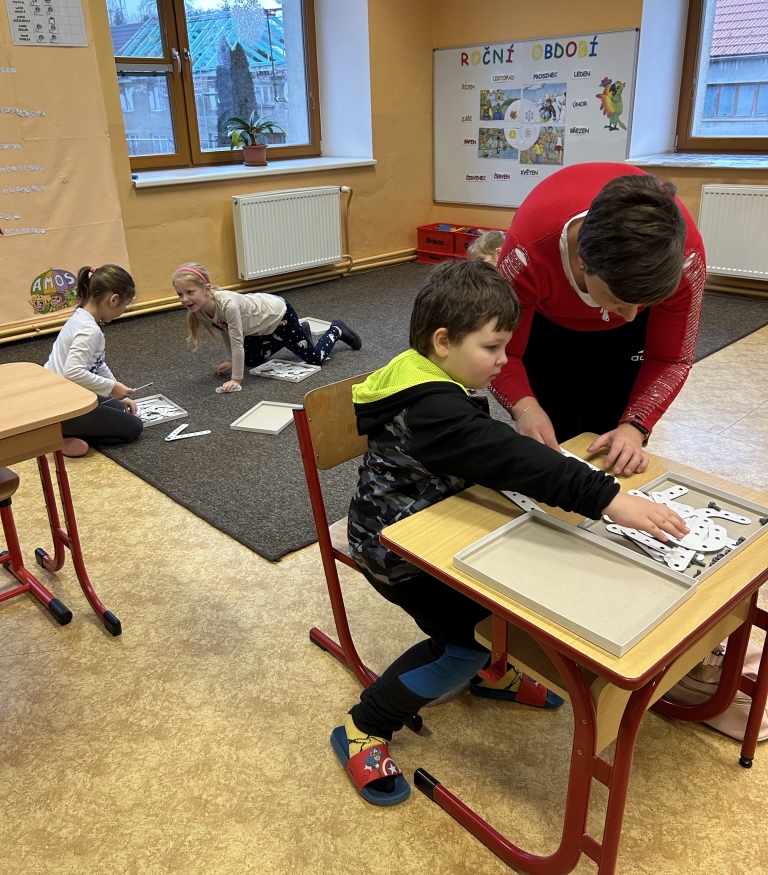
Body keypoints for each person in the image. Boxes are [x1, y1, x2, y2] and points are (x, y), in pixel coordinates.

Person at [333, 260, 688, 806]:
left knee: (516, 595)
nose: (504, 361)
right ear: (443, 342)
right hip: (396, 554)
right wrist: (611, 499)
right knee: (463, 645)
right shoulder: (432, 409)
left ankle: (491, 670)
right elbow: (511, 455)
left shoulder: (432, 373)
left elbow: (490, 452)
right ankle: (365, 723)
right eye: (493, 347)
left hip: (438, 525)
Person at [491, 163, 705, 477]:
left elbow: (671, 358)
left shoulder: (686, 261)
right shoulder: (526, 256)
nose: (630, 316)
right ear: (583, 261)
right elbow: (500, 351)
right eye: (618, 301)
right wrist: (525, 409)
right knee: (553, 435)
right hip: (548, 325)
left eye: (643, 304)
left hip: (623, 340)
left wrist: (635, 426)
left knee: (611, 441)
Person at [172, 263, 362, 393]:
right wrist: (230, 361)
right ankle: (298, 334)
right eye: (180, 294)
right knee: (251, 360)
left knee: (315, 360)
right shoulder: (198, 311)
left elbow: (237, 343)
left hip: (279, 316)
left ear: (206, 289)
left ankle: (336, 330)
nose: (184, 299)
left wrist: (236, 379)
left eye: (190, 292)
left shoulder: (228, 305)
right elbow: (225, 331)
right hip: (257, 327)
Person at [44, 264, 143, 458]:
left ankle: (62, 429)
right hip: (61, 406)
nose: (123, 310)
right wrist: (112, 387)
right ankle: (57, 436)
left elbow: (98, 364)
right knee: (133, 428)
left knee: (118, 407)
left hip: (59, 397)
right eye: (125, 305)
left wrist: (118, 394)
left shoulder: (81, 316)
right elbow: (72, 372)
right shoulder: (89, 331)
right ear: (114, 300)